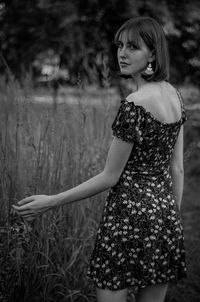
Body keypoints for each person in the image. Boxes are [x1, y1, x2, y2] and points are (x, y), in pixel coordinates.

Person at [13, 16, 188, 302]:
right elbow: (177, 168)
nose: (122, 53)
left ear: (153, 53)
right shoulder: (175, 96)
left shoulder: (135, 104)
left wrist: (50, 201)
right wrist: (172, 219)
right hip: (165, 215)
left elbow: (110, 176)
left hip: (126, 219)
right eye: (120, 45)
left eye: (133, 47)